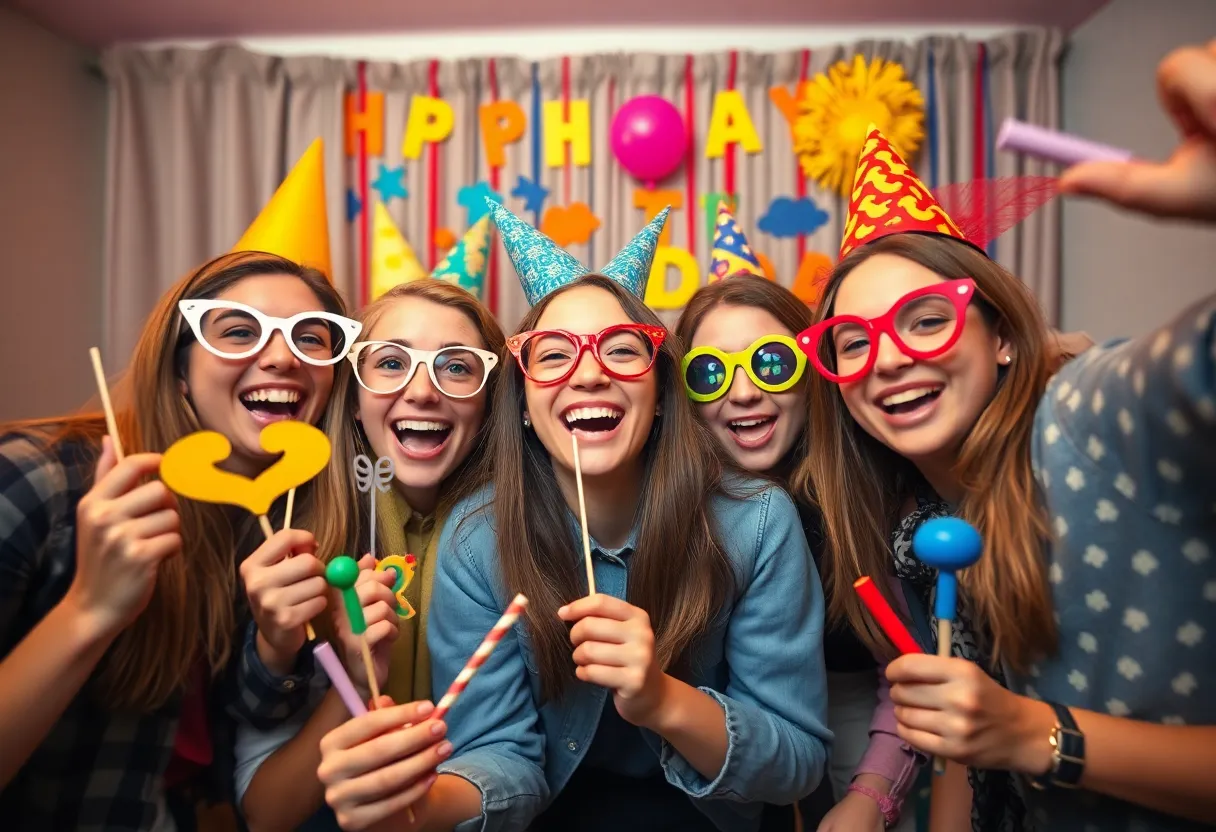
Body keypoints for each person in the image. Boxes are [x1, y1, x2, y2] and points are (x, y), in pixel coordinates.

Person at [794, 41, 1216, 832]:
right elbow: (966, 759)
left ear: (1004, 337)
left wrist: (1033, 733)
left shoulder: (1092, 416)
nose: (887, 358)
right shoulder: (914, 527)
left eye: (927, 321)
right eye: (852, 340)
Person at [315, 201, 832, 831]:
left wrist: (664, 698)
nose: (588, 374)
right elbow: (497, 753)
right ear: (526, 401)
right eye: (555, 355)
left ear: (662, 392)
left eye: (619, 350)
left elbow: (798, 762)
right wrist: (422, 808)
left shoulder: (755, 522)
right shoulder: (478, 541)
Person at [0, 248, 361, 829]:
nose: (280, 357)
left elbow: (241, 719)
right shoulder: (38, 481)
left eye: (311, 338)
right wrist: (89, 610)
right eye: (239, 332)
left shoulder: (294, 520)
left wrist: (276, 644)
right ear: (180, 373)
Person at [675, 202, 922, 832]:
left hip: (863, 728)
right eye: (710, 373)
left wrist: (871, 796)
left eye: (771, 362)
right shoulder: (670, 504)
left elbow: (910, 674)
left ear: (813, 369)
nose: (744, 392)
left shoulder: (870, 493)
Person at [236, 276, 506, 832]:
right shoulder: (290, 542)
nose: (423, 391)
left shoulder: (521, 542)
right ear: (354, 400)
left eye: (456, 367)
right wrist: (355, 683)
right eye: (390, 363)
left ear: (489, 404)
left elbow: (528, 763)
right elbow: (265, 814)